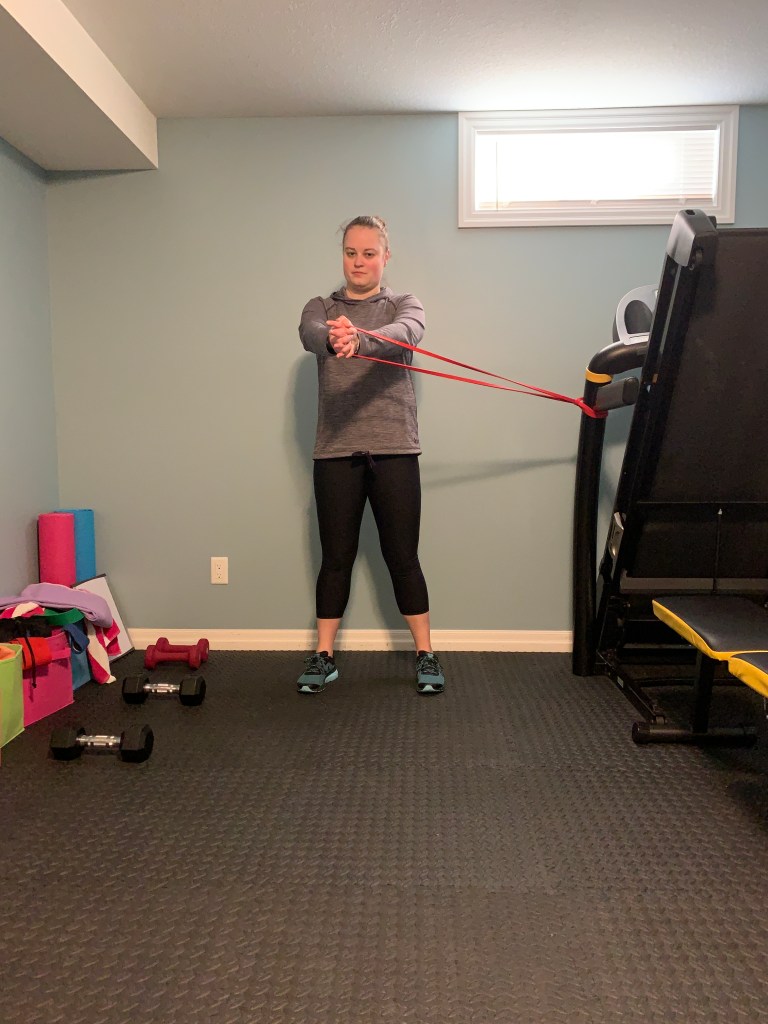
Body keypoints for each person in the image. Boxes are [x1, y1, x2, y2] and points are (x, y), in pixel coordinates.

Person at [297, 215, 445, 696]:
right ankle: (323, 656)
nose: (358, 262)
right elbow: (311, 333)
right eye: (350, 253)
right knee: (335, 559)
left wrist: (360, 338)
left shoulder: (403, 304)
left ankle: (425, 654)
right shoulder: (321, 308)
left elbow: (407, 332)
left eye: (368, 253)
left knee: (403, 557)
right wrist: (334, 337)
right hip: (336, 452)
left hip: (395, 449)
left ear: (385, 256)